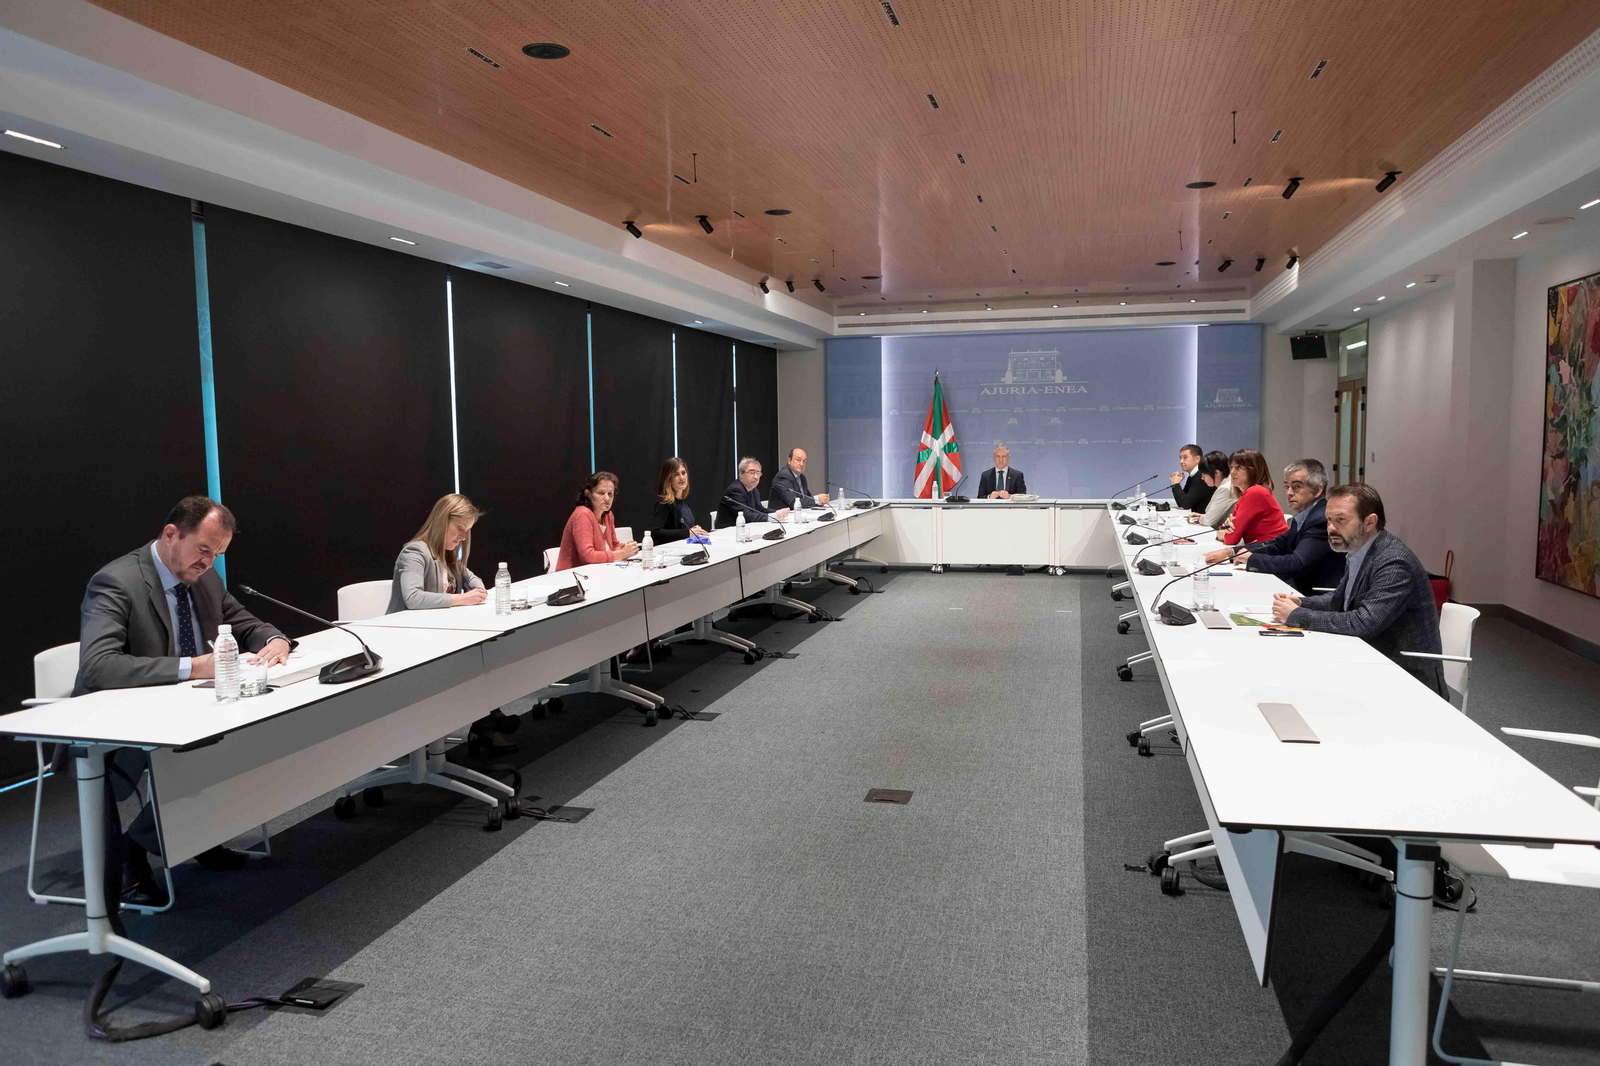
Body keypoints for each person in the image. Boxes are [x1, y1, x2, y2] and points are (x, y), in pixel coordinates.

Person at [75, 495, 292, 905]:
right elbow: (98, 668)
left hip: (191, 709)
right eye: (204, 550)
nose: (209, 563)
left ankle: (195, 833)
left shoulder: (205, 579)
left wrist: (276, 639)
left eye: (218, 555)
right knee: (216, 752)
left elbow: (246, 624)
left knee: (256, 737)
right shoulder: (117, 581)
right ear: (171, 534)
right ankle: (132, 850)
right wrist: (192, 668)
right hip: (123, 723)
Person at [1272, 483, 1447, 698]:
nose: (1330, 528)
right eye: (1329, 520)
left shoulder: (1394, 562)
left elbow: (1364, 623)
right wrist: (1301, 602)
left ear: (1369, 522)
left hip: (1405, 678)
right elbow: (1341, 600)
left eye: (1341, 520)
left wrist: (1297, 616)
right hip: (1370, 660)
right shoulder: (1360, 550)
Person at [1205, 459, 1342, 595]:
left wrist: (1251, 559)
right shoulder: (1304, 516)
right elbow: (1276, 545)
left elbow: (1297, 563)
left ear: (1318, 490)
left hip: (1313, 595)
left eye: (1297, 487)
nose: (1289, 492)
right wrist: (1231, 553)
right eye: (1287, 487)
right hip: (1296, 587)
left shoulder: (1321, 519)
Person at [388, 493, 488, 613]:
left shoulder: (449, 557)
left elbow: (473, 579)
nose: (464, 537)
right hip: (404, 623)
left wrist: (479, 591)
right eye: (460, 528)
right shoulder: (414, 552)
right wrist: (463, 599)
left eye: (467, 531)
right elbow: (413, 597)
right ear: (442, 521)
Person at [557, 471, 640, 570]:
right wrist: (622, 553)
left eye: (610, 494)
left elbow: (614, 546)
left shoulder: (608, 515)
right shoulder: (582, 514)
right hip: (573, 575)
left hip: (597, 571)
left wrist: (624, 548)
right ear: (588, 494)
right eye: (601, 493)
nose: (607, 498)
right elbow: (587, 556)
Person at [1218, 448, 1287, 547]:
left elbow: (1230, 539)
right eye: (1231, 467)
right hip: (1263, 548)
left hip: (1271, 550)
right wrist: (1225, 529)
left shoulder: (1255, 492)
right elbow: (1225, 528)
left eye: (1238, 467)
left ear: (1253, 470)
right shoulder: (1249, 493)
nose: (1232, 472)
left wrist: (1222, 532)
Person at [649, 457, 709, 542]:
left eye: (683, 473)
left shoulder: (684, 503)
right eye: (676, 474)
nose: (682, 477)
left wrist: (694, 529)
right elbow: (656, 533)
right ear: (668, 478)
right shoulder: (664, 503)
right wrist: (688, 533)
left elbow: (681, 529)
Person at [719, 457, 791, 527]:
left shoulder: (754, 490)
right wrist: (773, 516)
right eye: (752, 472)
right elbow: (746, 516)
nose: (756, 477)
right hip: (728, 531)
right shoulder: (735, 490)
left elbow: (760, 510)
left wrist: (778, 512)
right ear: (741, 474)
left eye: (758, 473)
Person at [1193, 450, 1239, 528]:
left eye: (1204, 473)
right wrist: (1202, 516)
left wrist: (1201, 518)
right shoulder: (1227, 484)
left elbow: (1209, 521)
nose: (1202, 478)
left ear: (1217, 473)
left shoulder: (1225, 488)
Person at [1169, 444, 1213, 511]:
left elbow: (1186, 504)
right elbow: (1181, 503)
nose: (1181, 461)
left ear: (1197, 459)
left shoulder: (1201, 476)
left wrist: (1176, 484)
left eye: (1185, 457)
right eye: (1180, 458)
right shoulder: (1193, 475)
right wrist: (1175, 485)